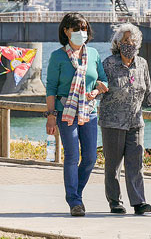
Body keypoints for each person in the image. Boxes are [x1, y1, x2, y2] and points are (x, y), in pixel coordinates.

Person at [45, 12, 108, 217]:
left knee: (90, 157)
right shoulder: (58, 56)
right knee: (72, 156)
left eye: (84, 28)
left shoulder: (94, 54)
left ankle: (76, 194)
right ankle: (74, 201)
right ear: (66, 31)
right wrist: (51, 115)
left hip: (89, 111)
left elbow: (104, 80)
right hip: (66, 112)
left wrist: (97, 91)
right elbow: (51, 88)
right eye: (76, 28)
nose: (81, 32)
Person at [99, 23, 151, 215]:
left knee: (136, 164)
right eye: (126, 40)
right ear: (118, 43)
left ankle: (138, 201)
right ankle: (115, 201)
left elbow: (148, 95)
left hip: (135, 122)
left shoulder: (142, 64)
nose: (130, 43)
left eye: (133, 40)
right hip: (112, 122)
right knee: (113, 165)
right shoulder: (108, 64)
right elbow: (100, 90)